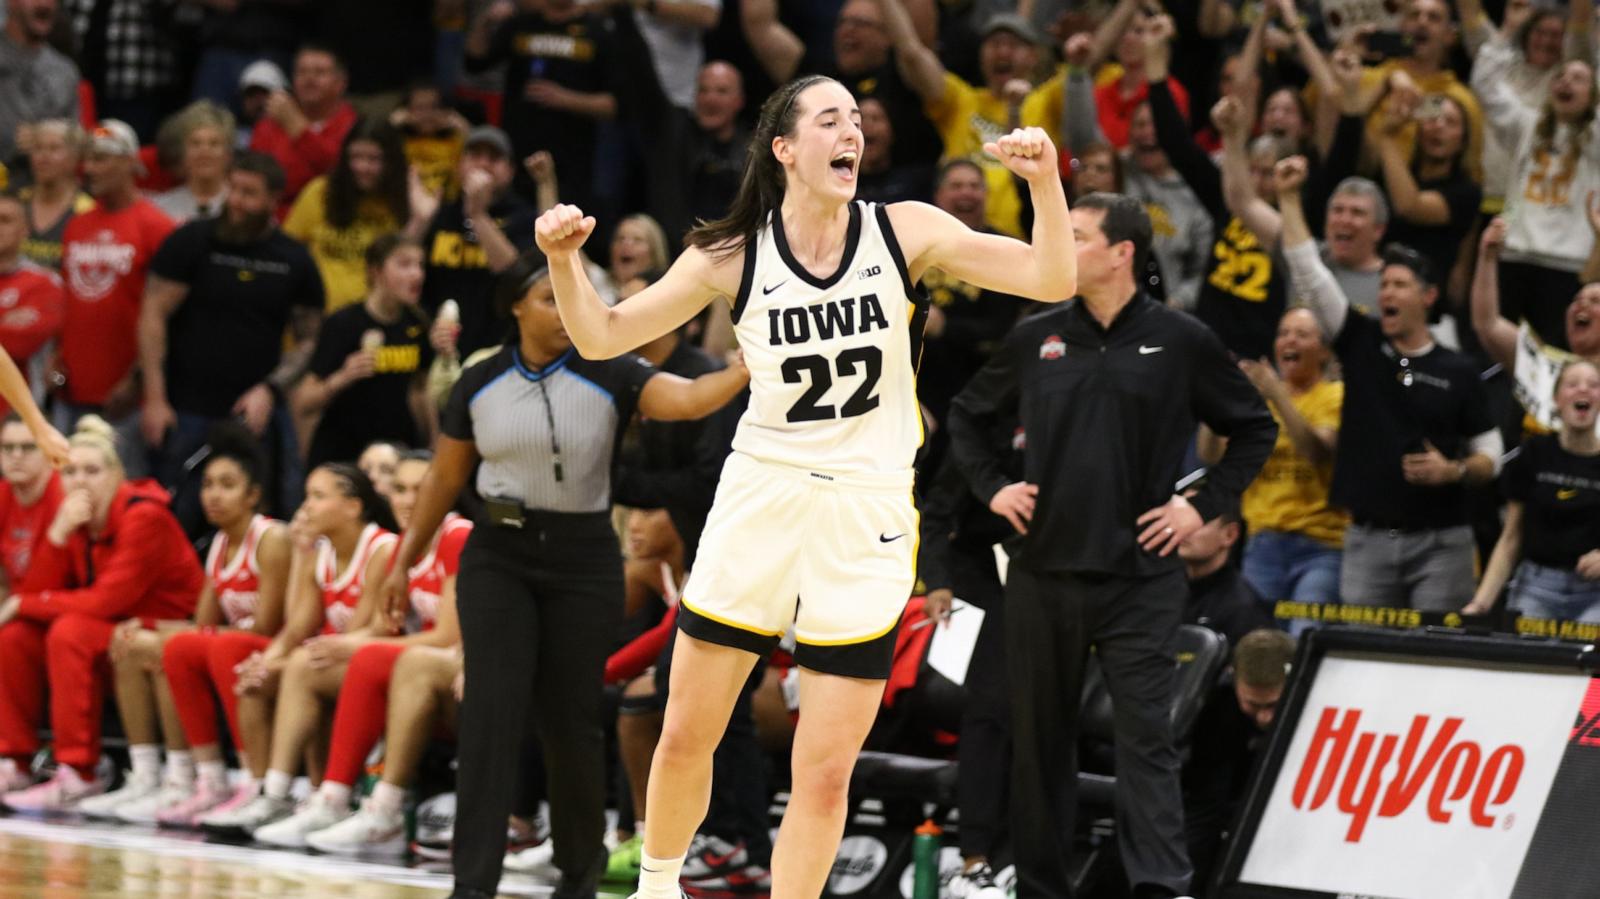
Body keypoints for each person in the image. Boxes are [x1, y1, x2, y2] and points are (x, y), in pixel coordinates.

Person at [534, 73, 1075, 899]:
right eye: (830, 119)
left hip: (868, 510)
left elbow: (1050, 278)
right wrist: (565, 262)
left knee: (822, 773)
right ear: (784, 148)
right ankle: (656, 887)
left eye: (857, 119)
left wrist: (1043, 184)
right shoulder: (733, 254)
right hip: (764, 493)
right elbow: (604, 334)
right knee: (686, 730)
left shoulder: (907, 230)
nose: (851, 131)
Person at [380, 249, 750, 899]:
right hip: (500, 556)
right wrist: (404, 556)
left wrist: (742, 371)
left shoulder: (612, 369)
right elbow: (444, 476)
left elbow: (688, 400)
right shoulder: (480, 378)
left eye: (573, 295)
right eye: (550, 297)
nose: (565, 309)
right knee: (490, 714)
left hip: (583, 559)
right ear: (516, 306)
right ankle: (473, 884)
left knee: (571, 720)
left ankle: (578, 878)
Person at [946, 192, 1275, 899]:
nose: (1059, 250)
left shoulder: (1182, 339)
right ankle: (1040, 888)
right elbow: (967, 417)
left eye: (1076, 237)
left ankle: (1161, 887)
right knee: (1040, 745)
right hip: (1040, 573)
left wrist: (1199, 504)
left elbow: (1255, 427)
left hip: (1141, 577)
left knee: (1146, 739)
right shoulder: (1035, 337)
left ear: (1123, 252)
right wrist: (995, 488)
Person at [1275, 156, 1501, 611]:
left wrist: (1454, 471)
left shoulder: (1457, 368)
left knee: (1432, 660)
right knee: (1360, 651)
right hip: (1367, 540)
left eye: (1400, 285)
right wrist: (1288, 198)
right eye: (1384, 286)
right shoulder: (1360, 341)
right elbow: (1308, 273)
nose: (1387, 294)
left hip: (1442, 544)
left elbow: (1491, 453)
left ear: (1428, 297)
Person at [248, 454, 465, 849]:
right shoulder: (406, 544)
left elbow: (447, 635)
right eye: (400, 489)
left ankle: (385, 808)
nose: (408, 499)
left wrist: (352, 644)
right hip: (416, 669)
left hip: (463, 667)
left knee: (368, 657)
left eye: (422, 489)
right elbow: (382, 626)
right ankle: (283, 795)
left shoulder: (455, 535)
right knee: (304, 664)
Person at [0, 416, 203, 812]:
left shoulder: (144, 517)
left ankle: (80, 772)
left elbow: (103, 602)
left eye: (92, 471)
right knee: (16, 636)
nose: (79, 482)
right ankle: (15, 761)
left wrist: (24, 603)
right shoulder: (77, 521)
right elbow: (35, 596)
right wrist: (57, 534)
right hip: (116, 630)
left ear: (117, 476)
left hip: (165, 629)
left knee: (68, 631)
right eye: (70, 472)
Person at [198, 462, 397, 836]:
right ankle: (261, 789)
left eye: (318, 497)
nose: (305, 508)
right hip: (335, 655)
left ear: (352, 508)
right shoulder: (319, 552)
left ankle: (296, 795)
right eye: (307, 496)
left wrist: (291, 659)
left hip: (375, 655)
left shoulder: (381, 548)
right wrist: (266, 661)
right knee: (256, 678)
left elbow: (368, 629)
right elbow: (295, 627)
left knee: (302, 668)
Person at [139, 152, 325, 532]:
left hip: (253, 413)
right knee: (175, 515)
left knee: (266, 515)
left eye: (250, 193)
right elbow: (153, 314)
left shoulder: (293, 259)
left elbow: (309, 341)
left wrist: (270, 388)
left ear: (274, 199)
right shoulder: (193, 240)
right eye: (234, 189)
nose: (237, 201)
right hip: (186, 405)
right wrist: (155, 398)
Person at [156, 435, 293, 826]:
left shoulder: (271, 538)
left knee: (221, 648)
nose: (214, 495)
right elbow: (203, 625)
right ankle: (208, 779)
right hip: (235, 646)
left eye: (228, 485)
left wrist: (205, 637)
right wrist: (150, 630)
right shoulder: (218, 542)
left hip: (277, 647)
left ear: (253, 495)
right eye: (209, 485)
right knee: (175, 650)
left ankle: (255, 781)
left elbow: (268, 625)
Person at [54, 120, 176, 474]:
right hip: (73, 389)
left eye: (103, 159)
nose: (91, 168)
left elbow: (166, 315)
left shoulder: (156, 226)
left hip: (127, 396)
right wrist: (58, 356)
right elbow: (69, 297)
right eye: (88, 159)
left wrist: (137, 379)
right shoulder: (76, 224)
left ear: (130, 162)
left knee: (121, 491)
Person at [1211, 308, 1347, 606]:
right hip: (1263, 542)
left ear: (1323, 351)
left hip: (1321, 545)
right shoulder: (1256, 401)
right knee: (1257, 641)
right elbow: (1211, 455)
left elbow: (1316, 451)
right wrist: (1219, 399)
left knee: (1305, 636)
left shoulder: (1336, 396)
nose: (1289, 341)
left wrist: (1277, 394)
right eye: (1283, 333)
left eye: (1301, 334)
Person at [1472, 50, 1600, 349]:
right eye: (1560, 76)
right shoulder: (1526, 126)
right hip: (1514, 258)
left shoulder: (1596, 139)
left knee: (1555, 358)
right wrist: (1507, 37)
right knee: (1499, 354)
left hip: (1566, 268)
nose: (1566, 82)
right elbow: (1486, 87)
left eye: (1578, 79)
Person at [1465, 361, 1600, 623]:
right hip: (1537, 586)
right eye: (1572, 384)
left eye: (1593, 385)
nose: (1583, 390)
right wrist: (1480, 605)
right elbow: (1511, 537)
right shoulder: (1535, 452)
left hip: (1594, 593)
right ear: (1557, 399)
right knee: (1524, 656)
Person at [464, 0, 623, 219]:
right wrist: (485, 20)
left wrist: (565, 98)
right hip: (517, 153)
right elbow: (474, 62)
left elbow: (616, 106)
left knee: (562, 229)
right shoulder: (521, 24)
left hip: (572, 160)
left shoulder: (597, 31)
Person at [295, 235, 435, 469]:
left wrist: (434, 442)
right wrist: (343, 377)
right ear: (376, 271)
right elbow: (304, 401)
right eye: (404, 264)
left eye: (420, 265)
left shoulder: (418, 324)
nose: (417, 274)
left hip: (394, 455)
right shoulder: (343, 323)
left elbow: (420, 388)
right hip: (343, 454)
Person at [1182, 628, 1296, 892]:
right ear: (1234, 679)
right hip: (1231, 803)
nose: (1265, 718)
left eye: (1274, 705)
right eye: (1254, 705)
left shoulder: (1324, 704)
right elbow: (1206, 806)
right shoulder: (1218, 708)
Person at [418, 125, 539, 357]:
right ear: (459, 165)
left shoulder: (524, 217)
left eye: (494, 158)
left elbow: (516, 274)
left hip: (500, 350)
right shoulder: (441, 214)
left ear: (510, 170)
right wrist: (419, 221)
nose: (483, 164)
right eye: (474, 156)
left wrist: (477, 214)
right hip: (438, 348)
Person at [283, 120, 419, 312]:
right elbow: (287, 251)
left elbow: (410, 263)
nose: (362, 167)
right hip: (319, 316)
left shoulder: (404, 201)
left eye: (374, 159)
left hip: (377, 317)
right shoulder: (320, 192)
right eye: (355, 157)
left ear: (391, 162)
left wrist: (421, 218)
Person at [249, 44, 360, 205]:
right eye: (302, 72)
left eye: (320, 72)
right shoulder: (269, 124)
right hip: (278, 218)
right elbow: (258, 179)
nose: (309, 79)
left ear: (341, 82)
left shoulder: (353, 125)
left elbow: (343, 175)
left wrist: (298, 128)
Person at [0, 194, 64, 419]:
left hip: (19, 416)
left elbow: (21, 343)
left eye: (5, 220)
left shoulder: (44, 282)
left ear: (25, 230)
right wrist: (6, 322)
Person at [1178, 506, 1275, 648]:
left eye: (1197, 521)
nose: (1182, 529)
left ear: (1230, 534)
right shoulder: (1157, 592)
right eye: (1179, 520)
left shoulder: (1245, 609)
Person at [0, 0, 81, 161]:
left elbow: (75, 141)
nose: (45, 4)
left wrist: (45, 139)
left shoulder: (65, 72)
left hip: (44, 181)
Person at [16, 119, 95, 271]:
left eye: (54, 149)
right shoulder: (16, 204)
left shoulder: (87, 210)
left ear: (75, 157)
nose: (43, 157)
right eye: (37, 148)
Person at [0, 413, 65, 594]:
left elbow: (61, 579)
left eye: (28, 447)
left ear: (49, 450)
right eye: (7, 447)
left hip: (53, 598)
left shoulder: (62, 495)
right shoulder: (3, 494)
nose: (16, 455)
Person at [152, 101, 236, 223]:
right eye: (195, 144)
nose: (204, 152)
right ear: (183, 153)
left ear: (228, 154)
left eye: (214, 144)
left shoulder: (244, 207)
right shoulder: (159, 209)